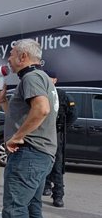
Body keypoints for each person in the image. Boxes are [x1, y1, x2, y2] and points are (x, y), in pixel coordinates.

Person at [0, 38, 58, 218]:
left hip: (29, 153)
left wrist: (17, 136)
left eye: (11, 54)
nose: (8, 59)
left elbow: (40, 110)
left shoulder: (30, 77)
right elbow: (30, 111)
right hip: (41, 154)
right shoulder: (40, 77)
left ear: (22, 57)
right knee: (32, 210)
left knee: (13, 211)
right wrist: (4, 102)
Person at [42, 70, 76, 208]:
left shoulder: (62, 96)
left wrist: (61, 129)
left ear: (55, 80)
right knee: (42, 161)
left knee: (57, 165)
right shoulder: (41, 94)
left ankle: (58, 195)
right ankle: (45, 186)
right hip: (42, 133)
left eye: (49, 79)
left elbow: (73, 116)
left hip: (56, 134)